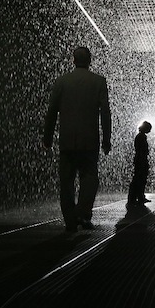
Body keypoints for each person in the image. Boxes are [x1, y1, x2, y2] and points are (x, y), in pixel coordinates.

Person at [43, 46, 112, 232]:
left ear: (73, 60)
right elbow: (105, 113)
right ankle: (82, 212)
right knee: (90, 178)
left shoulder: (62, 81)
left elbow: (51, 112)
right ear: (90, 60)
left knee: (66, 181)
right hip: (89, 141)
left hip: (66, 140)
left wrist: (47, 136)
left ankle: (70, 220)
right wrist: (107, 139)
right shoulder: (98, 81)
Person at [128, 121, 152, 206]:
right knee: (140, 178)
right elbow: (141, 150)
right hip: (141, 160)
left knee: (139, 178)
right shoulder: (141, 137)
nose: (150, 130)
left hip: (139, 159)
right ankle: (136, 197)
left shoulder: (140, 136)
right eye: (149, 129)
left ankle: (135, 197)